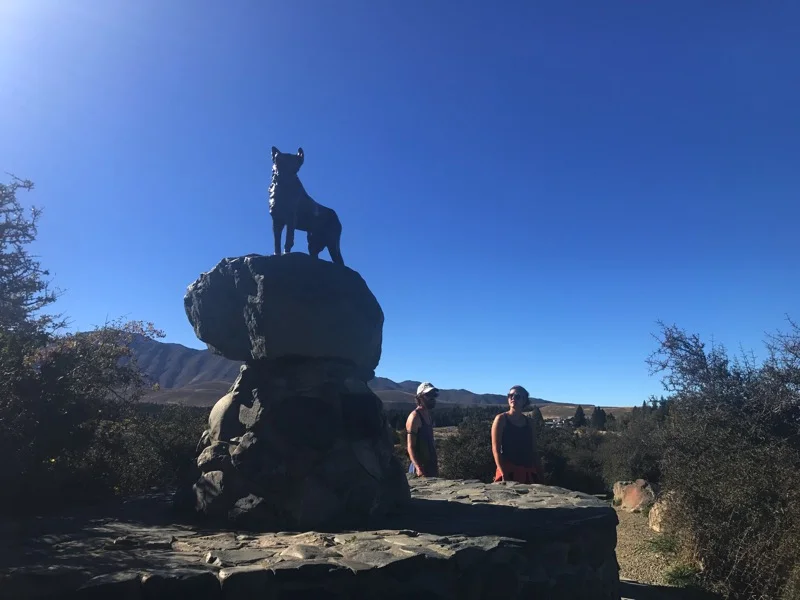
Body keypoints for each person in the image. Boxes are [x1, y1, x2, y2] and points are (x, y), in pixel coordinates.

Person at [491, 385, 544, 484]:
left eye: (517, 396)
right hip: (508, 471)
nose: (513, 398)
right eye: (510, 395)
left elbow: (534, 451)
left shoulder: (530, 423)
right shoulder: (501, 419)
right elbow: (496, 450)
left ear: (524, 400)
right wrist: (503, 473)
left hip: (528, 473)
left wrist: (541, 475)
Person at [406, 382, 439, 477]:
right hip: (419, 469)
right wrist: (418, 468)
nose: (432, 398)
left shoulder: (428, 416)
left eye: (434, 395)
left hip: (431, 467)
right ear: (420, 397)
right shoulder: (415, 417)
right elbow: (410, 446)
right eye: (428, 395)